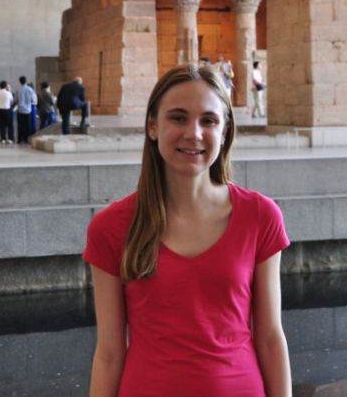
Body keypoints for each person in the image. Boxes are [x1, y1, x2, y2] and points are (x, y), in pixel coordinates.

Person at [83, 64, 291, 397]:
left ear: (224, 132)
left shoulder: (260, 216)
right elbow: (109, 352)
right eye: (178, 118)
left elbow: (269, 338)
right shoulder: (110, 228)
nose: (193, 133)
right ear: (153, 126)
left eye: (208, 120)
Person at [15, 76, 37, 144]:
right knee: (28, 125)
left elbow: (16, 100)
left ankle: (20, 139)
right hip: (28, 110)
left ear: (19, 81)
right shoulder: (30, 89)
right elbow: (33, 100)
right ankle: (27, 139)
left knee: (20, 125)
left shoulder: (18, 90)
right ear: (26, 81)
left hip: (20, 110)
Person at [0, 81, 15, 145]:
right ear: (5, 86)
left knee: (1, 125)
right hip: (7, 110)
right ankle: (10, 139)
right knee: (10, 125)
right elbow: (12, 102)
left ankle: (3, 139)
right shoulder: (8, 93)